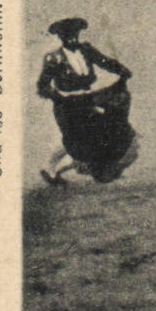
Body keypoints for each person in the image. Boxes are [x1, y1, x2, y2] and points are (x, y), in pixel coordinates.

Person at [36, 17, 133, 185]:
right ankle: (50, 167)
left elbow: (105, 62)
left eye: (75, 35)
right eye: (68, 36)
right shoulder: (54, 58)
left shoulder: (86, 50)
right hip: (66, 106)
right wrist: (59, 98)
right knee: (78, 139)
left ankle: (58, 169)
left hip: (86, 100)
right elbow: (42, 86)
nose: (72, 39)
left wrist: (121, 69)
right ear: (61, 37)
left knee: (103, 133)